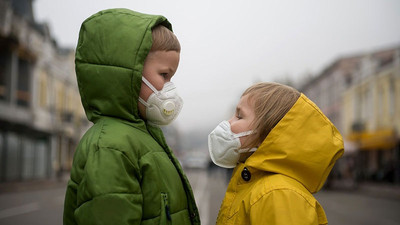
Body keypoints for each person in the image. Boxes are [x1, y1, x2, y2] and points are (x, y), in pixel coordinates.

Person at [63, 8, 200, 225]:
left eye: (171, 77)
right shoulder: (110, 147)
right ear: (130, 71)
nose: (169, 87)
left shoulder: (144, 135)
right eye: (164, 75)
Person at [208, 82, 344, 225]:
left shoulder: (278, 194)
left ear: (268, 133)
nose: (229, 122)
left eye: (239, 116)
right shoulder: (259, 184)